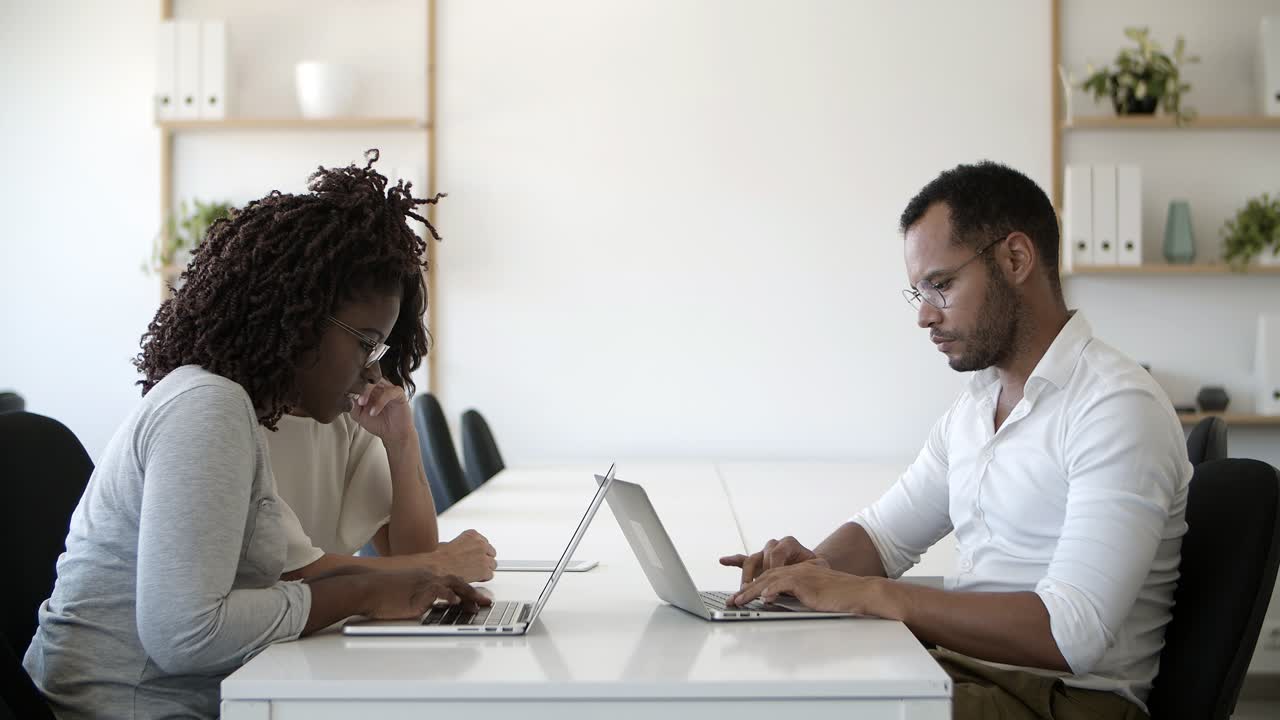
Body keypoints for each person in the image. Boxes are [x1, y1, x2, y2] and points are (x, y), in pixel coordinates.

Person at [23, 150, 488, 720]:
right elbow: (184, 636)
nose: (372, 368)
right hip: (131, 706)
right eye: (364, 342)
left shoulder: (234, 406)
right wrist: (363, 592)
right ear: (296, 317)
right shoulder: (207, 407)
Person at [722, 161, 1189, 719]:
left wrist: (870, 595)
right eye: (918, 292)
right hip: (968, 671)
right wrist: (809, 574)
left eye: (941, 286)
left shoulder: (1115, 407)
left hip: (1064, 700)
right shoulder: (972, 411)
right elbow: (883, 536)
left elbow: (1072, 634)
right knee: (771, 676)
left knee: (799, 705)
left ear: (1015, 259)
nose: (923, 315)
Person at [267, 371, 497, 583]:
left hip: (328, 620)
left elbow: (412, 559)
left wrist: (403, 440)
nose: (375, 372)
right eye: (365, 341)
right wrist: (438, 565)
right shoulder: (240, 418)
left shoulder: (348, 415)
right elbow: (293, 572)